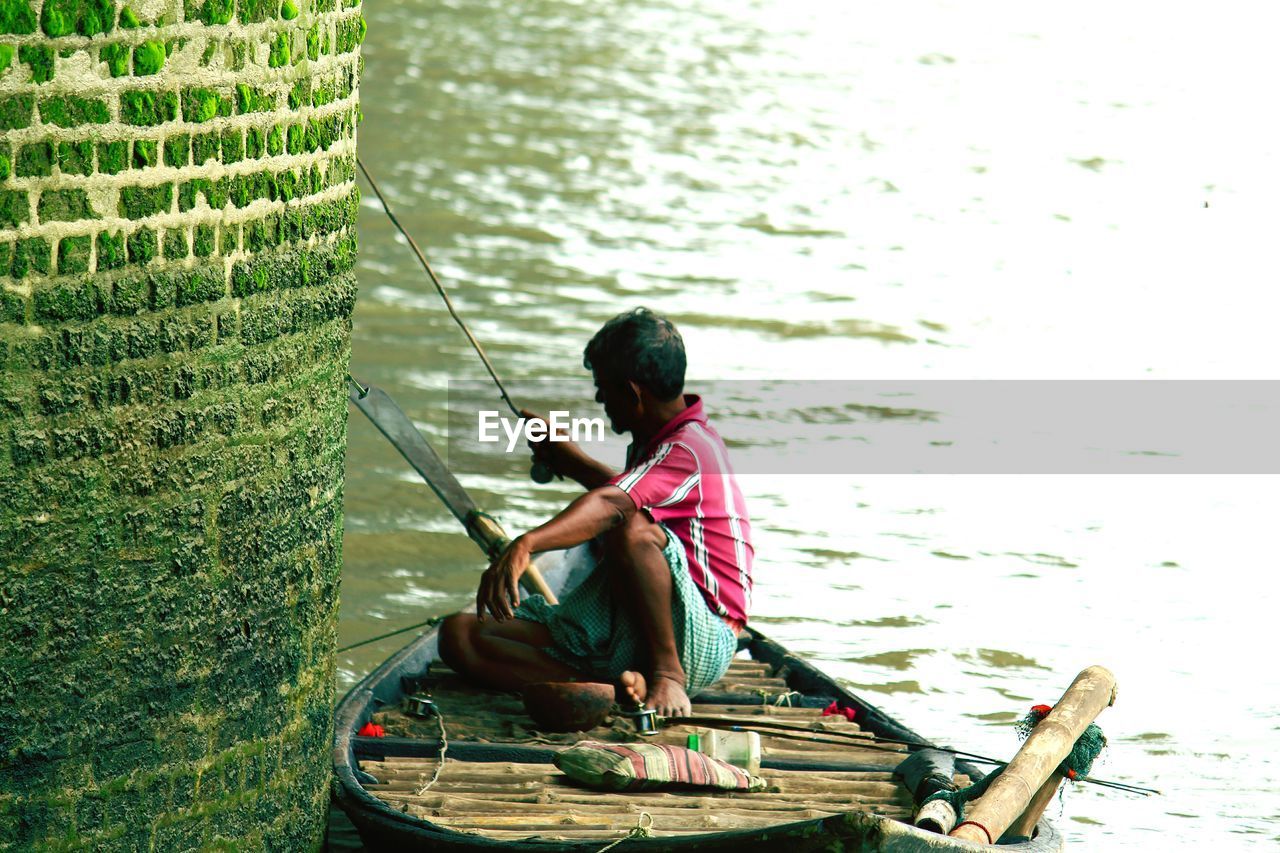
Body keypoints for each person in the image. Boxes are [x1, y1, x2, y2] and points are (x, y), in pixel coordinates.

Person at [439, 307, 754, 716]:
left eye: (603, 389)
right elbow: (623, 492)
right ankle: (613, 689)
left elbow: (614, 506)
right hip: (628, 626)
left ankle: (668, 677)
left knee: (629, 529)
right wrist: (570, 461)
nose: (600, 400)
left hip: (700, 637)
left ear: (632, 392)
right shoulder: (660, 444)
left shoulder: (689, 449)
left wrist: (526, 544)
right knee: (459, 635)